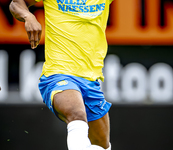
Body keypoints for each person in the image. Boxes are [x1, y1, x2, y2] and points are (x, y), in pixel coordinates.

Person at [9, 0, 113, 150]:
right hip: (57, 75)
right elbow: (16, 3)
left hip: (90, 81)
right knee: (76, 113)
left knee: (102, 146)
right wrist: (28, 16)